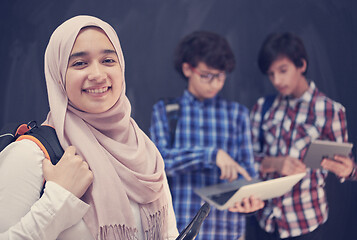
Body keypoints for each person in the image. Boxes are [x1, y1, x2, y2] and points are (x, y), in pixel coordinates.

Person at [0, 15, 178, 240]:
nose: (97, 75)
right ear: (58, 76)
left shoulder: (143, 150)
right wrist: (59, 198)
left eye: (108, 61)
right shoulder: (31, 154)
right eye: (79, 63)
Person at [149, 31, 264, 240]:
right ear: (187, 69)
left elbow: (247, 172)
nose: (214, 84)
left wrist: (250, 200)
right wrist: (211, 156)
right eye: (206, 76)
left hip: (229, 232)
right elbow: (158, 164)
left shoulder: (237, 115)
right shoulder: (166, 111)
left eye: (220, 76)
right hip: (180, 231)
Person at [248, 32, 353, 240]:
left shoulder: (331, 111)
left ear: (301, 65)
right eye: (271, 74)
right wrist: (274, 163)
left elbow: (347, 167)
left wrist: (350, 170)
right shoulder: (263, 107)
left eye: (283, 70)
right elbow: (245, 160)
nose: (277, 80)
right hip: (264, 222)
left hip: (306, 223)